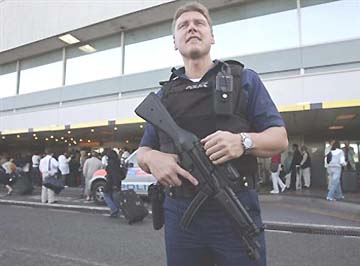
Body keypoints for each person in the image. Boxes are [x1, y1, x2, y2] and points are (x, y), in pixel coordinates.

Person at [136, 2, 288, 265]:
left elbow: (279, 138)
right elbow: (143, 151)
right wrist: (152, 160)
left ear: (212, 36)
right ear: (175, 42)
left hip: (235, 207)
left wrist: (243, 141)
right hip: (181, 214)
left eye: (199, 23)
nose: (191, 28)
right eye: (183, 25)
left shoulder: (244, 80)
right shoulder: (165, 96)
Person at [103, 150, 122, 217]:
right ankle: (115, 211)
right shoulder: (117, 162)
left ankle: (114, 209)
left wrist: (114, 184)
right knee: (115, 197)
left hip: (111, 182)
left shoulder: (111, 163)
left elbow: (113, 174)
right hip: (117, 182)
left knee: (106, 195)